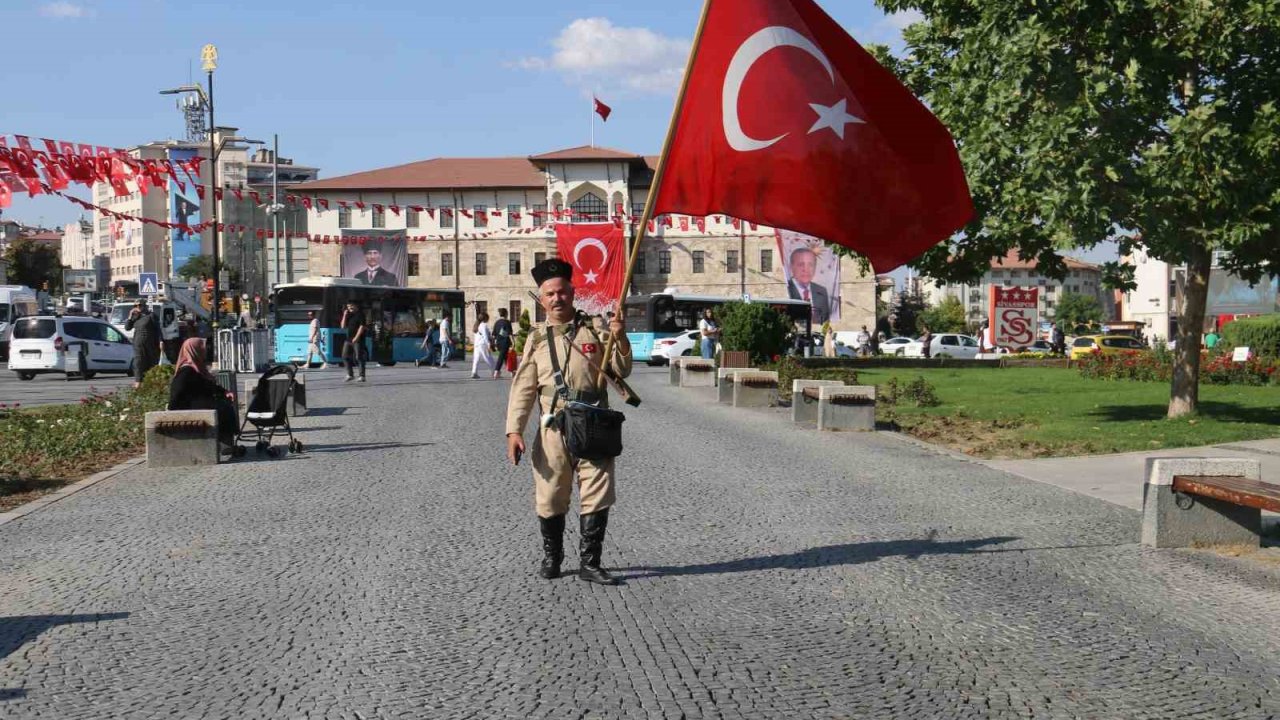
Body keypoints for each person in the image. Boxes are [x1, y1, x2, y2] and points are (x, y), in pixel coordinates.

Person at [506, 258, 632, 585]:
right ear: (541, 299)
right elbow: (523, 388)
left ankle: (591, 563)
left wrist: (620, 338)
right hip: (553, 426)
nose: (557, 298)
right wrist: (514, 431)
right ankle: (553, 556)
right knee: (550, 494)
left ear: (572, 293)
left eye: (562, 292)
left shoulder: (595, 329)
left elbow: (622, 370)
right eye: (550, 294)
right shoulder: (536, 338)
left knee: (597, 492)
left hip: (594, 422)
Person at [168, 338, 238, 452]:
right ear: (194, 350)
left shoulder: (196, 368)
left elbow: (207, 385)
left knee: (224, 406)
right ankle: (225, 445)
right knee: (223, 408)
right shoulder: (186, 371)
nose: (205, 351)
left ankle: (225, 444)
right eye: (202, 348)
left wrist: (224, 392)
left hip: (198, 404)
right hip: (188, 407)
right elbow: (176, 392)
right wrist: (172, 411)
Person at [785, 247, 832, 325]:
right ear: (791, 267)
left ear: (815, 267)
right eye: (801, 264)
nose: (806, 269)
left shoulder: (821, 291)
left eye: (810, 265)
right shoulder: (786, 288)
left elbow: (825, 318)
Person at [125, 299, 161, 388]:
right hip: (138, 344)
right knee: (138, 362)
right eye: (136, 306)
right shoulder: (135, 316)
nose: (138, 307)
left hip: (150, 344)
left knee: (151, 362)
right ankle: (138, 381)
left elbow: (158, 330)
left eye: (140, 305)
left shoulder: (151, 315)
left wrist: (160, 341)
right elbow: (127, 328)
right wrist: (130, 316)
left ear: (145, 306)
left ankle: (152, 383)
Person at [340, 301, 367, 382]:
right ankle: (350, 375)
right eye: (348, 306)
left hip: (358, 340)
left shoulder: (360, 314)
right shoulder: (349, 315)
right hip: (348, 339)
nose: (349, 308)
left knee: (358, 357)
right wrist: (344, 315)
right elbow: (343, 326)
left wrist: (356, 337)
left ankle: (362, 376)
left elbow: (362, 327)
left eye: (351, 306)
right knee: (344, 356)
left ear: (356, 306)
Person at [471, 312, 496, 379]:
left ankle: (474, 372)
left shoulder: (476, 325)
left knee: (476, 359)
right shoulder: (483, 325)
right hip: (483, 344)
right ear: (485, 318)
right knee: (488, 358)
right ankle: (494, 372)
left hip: (477, 344)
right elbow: (485, 336)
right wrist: (488, 344)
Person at [491, 308, 514, 379]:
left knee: (505, 357)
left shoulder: (497, 322)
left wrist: (493, 343)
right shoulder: (507, 322)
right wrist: (513, 342)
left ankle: (511, 372)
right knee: (501, 357)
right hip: (505, 342)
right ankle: (496, 372)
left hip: (498, 343)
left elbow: (493, 334)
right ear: (506, 314)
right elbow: (510, 333)